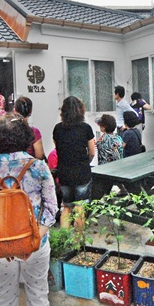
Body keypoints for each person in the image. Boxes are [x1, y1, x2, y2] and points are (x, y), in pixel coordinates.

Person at [0, 115, 58, 306]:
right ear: (26, 138)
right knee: (38, 294)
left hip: (0, 248)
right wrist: (33, 240)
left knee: (4, 295)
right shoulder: (39, 167)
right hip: (36, 244)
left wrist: (0, 241)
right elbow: (52, 209)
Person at [52, 96, 95, 228]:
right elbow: (92, 152)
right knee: (80, 208)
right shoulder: (86, 128)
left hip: (64, 173)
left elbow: (58, 148)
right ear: (81, 110)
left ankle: (64, 240)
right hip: (82, 172)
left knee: (67, 206)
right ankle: (78, 242)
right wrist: (85, 162)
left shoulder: (57, 129)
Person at [13, 96, 45, 161]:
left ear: (15, 111)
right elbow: (39, 155)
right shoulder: (33, 131)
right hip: (29, 167)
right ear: (31, 111)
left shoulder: (7, 130)